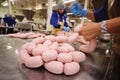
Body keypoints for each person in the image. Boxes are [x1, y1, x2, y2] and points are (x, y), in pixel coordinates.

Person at [69, 0, 120, 80]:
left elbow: (102, 25)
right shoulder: (110, 1)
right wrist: (84, 12)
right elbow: (100, 16)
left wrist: (101, 27)